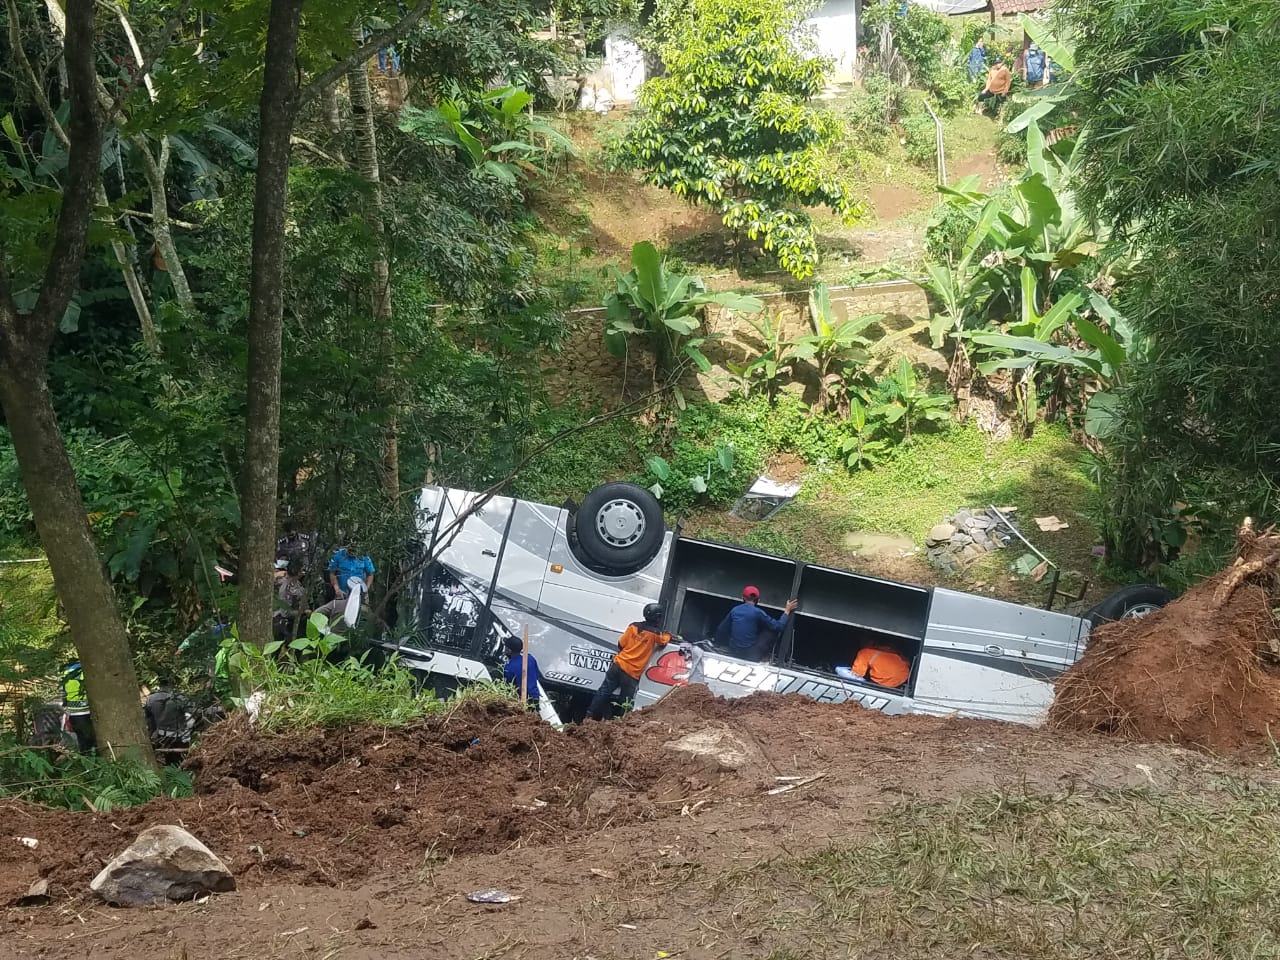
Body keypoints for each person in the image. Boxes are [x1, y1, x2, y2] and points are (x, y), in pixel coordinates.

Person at [588, 603, 672, 721]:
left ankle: (589, 716)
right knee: (625, 702)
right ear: (658, 617)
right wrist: (669, 634)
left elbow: (621, 644)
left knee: (603, 691)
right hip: (631, 673)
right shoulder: (655, 634)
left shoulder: (633, 626)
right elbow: (663, 642)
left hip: (617, 665)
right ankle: (621, 724)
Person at [715, 586, 798, 662]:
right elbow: (778, 626)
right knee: (770, 632)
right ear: (758, 600)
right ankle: (765, 657)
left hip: (733, 650)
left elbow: (721, 629)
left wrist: (718, 643)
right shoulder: (758, 612)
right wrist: (787, 611)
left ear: (742, 598)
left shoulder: (734, 610)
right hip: (750, 654)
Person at [837, 644, 911, 690]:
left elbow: (856, 675)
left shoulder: (865, 652)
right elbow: (907, 663)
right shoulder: (893, 650)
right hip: (902, 680)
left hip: (883, 683)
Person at [60, 661, 95, 753]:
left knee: (82, 742)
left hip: (74, 714)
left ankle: (86, 764)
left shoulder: (66, 673)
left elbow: (64, 694)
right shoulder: (85, 670)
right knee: (92, 742)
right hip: (86, 712)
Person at [274, 558, 308, 642]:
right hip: (287, 624)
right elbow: (285, 612)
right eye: (301, 570)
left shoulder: (297, 583)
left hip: (297, 622)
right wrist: (303, 613)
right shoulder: (286, 588)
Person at [502, 636, 542, 706]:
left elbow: (509, 689)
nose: (504, 649)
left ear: (509, 650)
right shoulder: (530, 658)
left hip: (522, 702)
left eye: (505, 647)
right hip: (535, 699)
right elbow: (537, 676)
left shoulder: (509, 668)